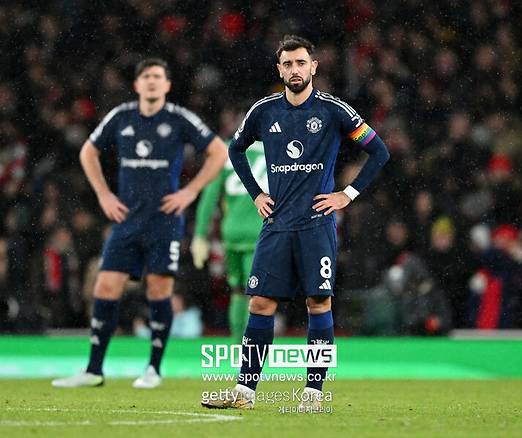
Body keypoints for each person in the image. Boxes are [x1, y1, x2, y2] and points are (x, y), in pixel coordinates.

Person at [202, 35, 389, 411]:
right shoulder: (264, 111)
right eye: (287, 64)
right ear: (279, 70)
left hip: (316, 225)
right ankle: (244, 392)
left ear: (313, 67)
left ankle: (313, 394)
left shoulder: (335, 111)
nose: (295, 70)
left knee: (318, 303)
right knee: (259, 304)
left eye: (301, 62)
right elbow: (234, 150)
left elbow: (379, 151)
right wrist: (256, 194)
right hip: (276, 224)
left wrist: (346, 195)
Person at [52, 58, 227, 388]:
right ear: (136, 85)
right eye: (146, 76)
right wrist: (104, 194)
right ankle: (93, 370)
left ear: (167, 85)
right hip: (127, 220)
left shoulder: (178, 119)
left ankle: (153, 369)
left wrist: (190, 191)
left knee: (159, 290)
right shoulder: (122, 116)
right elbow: (88, 152)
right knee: (105, 287)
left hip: (164, 221)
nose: (151, 81)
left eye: (158, 76)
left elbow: (218, 151)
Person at [191, 140, 267, 346]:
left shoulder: (226, 150)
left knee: (238, 290)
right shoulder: (275, 146)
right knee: (258, 294)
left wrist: (200, 234)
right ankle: (253, 349)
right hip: (261, 231)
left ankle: (237, 346)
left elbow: (210, 196)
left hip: (232, 231)